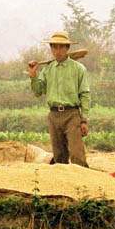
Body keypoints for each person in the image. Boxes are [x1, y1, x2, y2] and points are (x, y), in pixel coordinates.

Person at [27, 31, 91, 167]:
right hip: (54, 116)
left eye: (61, 47)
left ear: (67, 48)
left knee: (77, 155)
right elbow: (38, 91)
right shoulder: (47, 70)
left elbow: (85, 94)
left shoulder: (78, 69)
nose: (58, 50)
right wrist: (33, 76)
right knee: (59, 156)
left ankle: (83, 185)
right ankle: (62, 186)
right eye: (54, 47)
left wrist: (83, 119)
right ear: (51, 49)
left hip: (72, 115)